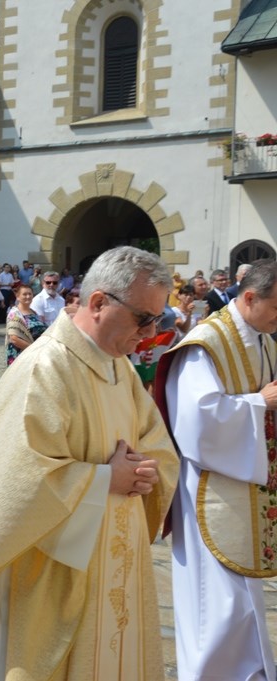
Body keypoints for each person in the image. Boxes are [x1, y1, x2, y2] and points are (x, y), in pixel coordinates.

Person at [0, 246, 179, 680]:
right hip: (49, 567)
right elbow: (17, 479)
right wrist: (105, 478)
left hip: (110, 554)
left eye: (158, 319)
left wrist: (147, 470)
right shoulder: (46, 368)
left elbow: (155, 441)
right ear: (99, 302)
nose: (151, 332)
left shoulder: (117, 366)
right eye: (144, 318)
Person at [156, 259, 277, 681]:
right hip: (210, 486)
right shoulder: (205, 344)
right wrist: (259, 403)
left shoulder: (263, 338)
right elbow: (196, 421)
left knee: (243, 598)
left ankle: (250, 671)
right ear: (250, 297)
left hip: (246, 480)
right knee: (217, 599)